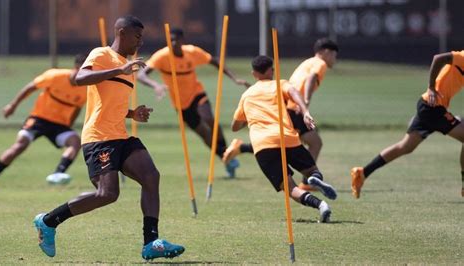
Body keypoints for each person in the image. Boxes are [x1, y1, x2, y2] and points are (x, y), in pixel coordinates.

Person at [33, 15, 184, 260]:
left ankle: (151, 242)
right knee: (107, 194)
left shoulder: (128, 65)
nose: (141, 42)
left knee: (151, 176)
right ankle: (49, 221)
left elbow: (111, 103)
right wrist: (119, 69)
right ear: (122, 33)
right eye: (138, 36)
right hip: (99, 137)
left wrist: (132, 113)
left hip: (121, 136)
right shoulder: (102, 54)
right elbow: (80, 79)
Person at [230, 55, 337, 222]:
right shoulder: (280, 83)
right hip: (287, 138)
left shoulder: (247, 95)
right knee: (310, 170)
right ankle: (314, 178)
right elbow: (294, 92)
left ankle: (321, 205)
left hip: (262, 145)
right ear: (271, 70)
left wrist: (250, 117)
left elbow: (235, 127)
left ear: (254, 74)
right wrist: (306, 112)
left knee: (290, 187)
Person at [223, 38, 338, 190]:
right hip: (293, 107)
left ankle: (241, 148)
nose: (334, 60)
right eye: (334, 56)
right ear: (326, 52)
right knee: (313, 142)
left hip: (287, 105)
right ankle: (307, 181)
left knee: (282, 143)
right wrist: (306, 103)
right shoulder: (320, 63)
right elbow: (311, 79)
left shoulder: (309, 62)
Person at [137, 28, 250, 178]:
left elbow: (214, 61)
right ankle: (226, 156)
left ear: (183, 40)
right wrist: (155, 85)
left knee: (208, 118)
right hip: (180, 103)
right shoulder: (162, 56)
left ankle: (226, 152)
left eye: (176, 39)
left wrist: (234, 78)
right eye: (170, 40)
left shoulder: (192, 52)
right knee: (204, 134)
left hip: (197, 93)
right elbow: (141, 75)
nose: (173, 43)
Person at [351, 51, 464, 199]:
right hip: (433, 108)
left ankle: (362, 173)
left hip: (428, 106)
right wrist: (431, 87)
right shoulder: (462, 57)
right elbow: (438, 58)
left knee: (405, 147)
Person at [0, 54, 87, 186]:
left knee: (75, 141)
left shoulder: (87, 88)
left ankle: (58, 174)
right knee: (21, 145)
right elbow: (30, 87)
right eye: (86, 70)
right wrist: (12, 106)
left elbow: (77, 107)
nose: (88, 74)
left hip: (59, 125)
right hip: (39, 119)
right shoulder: (55, 76)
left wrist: (69, 124)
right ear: (77, 67)